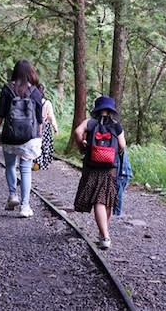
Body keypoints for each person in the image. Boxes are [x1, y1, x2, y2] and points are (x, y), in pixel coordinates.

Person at [0, 59, 43, 218]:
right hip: (29, 138)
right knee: (26, 170)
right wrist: (38, 138)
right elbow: (39, 119)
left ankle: (13, 195)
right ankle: (25, 207)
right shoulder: (35, 92)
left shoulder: (7, 89)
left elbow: (1, 114)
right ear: (30, 73)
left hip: (10, 136)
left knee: (10, 166)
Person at [74, 95, 126, 249]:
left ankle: (104, 235)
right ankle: (104, 234)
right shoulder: (117, 125)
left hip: (92, 165)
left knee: (99, 200)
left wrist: (82, 147)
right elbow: (122, 145)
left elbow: (78, 132)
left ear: (97, 109)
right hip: (110, 167)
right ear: (111, 110)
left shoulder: (90, 123)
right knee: (105, 200)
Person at [34, 84, 58, 171]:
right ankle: (43, 164)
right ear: (43, 91)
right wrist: (55, 127)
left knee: (36, 144)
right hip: (45, 127)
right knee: (45, 146)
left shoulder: (33, 101)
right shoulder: (47, 103)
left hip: (35, 126)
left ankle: (36, 163)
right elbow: (51, 116)